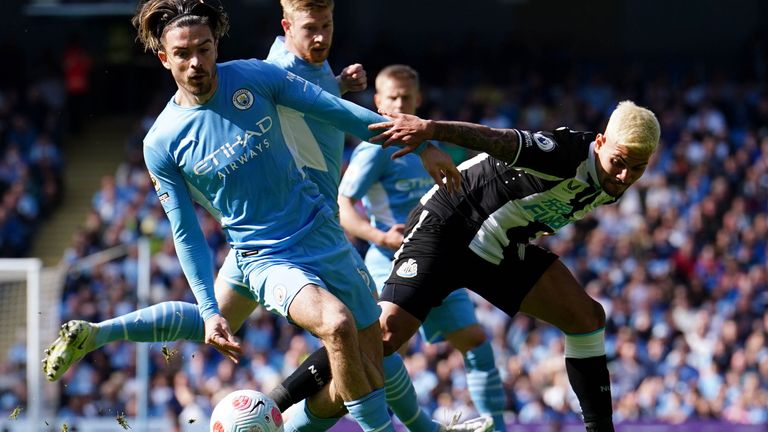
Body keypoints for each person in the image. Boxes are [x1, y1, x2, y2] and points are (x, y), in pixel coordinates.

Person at [42, 1, 459, 432]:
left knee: (372, 352)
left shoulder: (255, 77)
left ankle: (99, 332)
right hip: (264, 256)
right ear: (164, 58)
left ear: (215, 46)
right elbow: (185, 232)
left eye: (204, 49)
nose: (196, 62)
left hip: (319, 230)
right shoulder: (161, 143)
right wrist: (207, 308)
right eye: (183, 54)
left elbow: (340, 112)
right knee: (335, 325)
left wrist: (420, 143)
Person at [275, 100, 661, 432]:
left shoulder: (615, 178)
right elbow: (496, 138)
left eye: (638, 168)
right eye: (620, 163)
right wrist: (430, 129)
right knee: (383, 340)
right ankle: (276, 406)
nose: (624, 176)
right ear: (600, 142)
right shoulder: (564, 153)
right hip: (449, 225)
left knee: (587, 317)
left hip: (501, 246)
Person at [337, 64, 506, 431]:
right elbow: (343, 205)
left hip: (440, 262)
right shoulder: (376, 149)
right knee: (379, 347)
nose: (399, 104)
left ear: (418, 100)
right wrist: (380, 236)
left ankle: (499, 427)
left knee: (476, 343)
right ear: (379, 102)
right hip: (392, 261)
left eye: (406, 98)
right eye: (392, 98)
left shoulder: (431, 146)